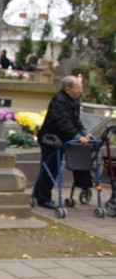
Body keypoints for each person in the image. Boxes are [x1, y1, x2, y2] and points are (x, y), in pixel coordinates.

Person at [32, 75, 93, 209]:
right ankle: (42, 197)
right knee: (50, 167)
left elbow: (76, 121)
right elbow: (63, 123)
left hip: (63, 138)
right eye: (78, 88)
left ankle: (84, 185)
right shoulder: (60, 101)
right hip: (51, 138)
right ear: (67, 89)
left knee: (58, 166)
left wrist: (84, 133)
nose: (80, 91)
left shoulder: (74, 100)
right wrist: (78, 136)